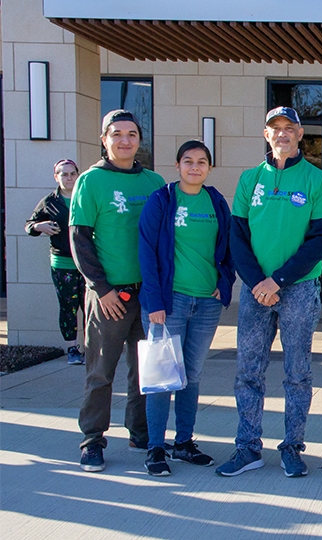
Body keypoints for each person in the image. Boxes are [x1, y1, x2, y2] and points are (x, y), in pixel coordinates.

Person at [217, 107, 322, 478]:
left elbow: (320, 239)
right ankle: (248, 447)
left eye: (289, 128)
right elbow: (237, 237)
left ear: (301, 134)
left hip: (297, 289)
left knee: (297, 372)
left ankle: (291, 447)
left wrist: (279, 281)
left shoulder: (318, 180)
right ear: (266, 135)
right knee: (247, 372)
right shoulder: (251, 179)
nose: (281, 134)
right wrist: (257, 283)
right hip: (256, 292)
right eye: (275, 128)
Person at [69, 110, 166, 472]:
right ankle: (92, 439)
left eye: (132, 134)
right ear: (104, 139)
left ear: (140, 139)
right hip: (109, 295)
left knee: (144, 371)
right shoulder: (91, 182)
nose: (125, 140)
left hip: (148, 295)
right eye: (117, 134)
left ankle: (140, 432)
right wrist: (102, 287)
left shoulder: (154, 182)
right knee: (100, 371)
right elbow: (79, 240)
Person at [138, 141, 235, 476]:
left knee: (191, 376)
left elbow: (228, 247)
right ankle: (155, 448)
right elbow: (147, 252)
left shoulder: (216, 201)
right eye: (189, 161)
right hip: (170, 301)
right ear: (177, 164)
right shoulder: (162, 200)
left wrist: (223, 285)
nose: (195, 167)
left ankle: (183, 443)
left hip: (206, 302)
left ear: (209, 167)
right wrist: (154, 302)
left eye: (202, 162)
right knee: (164, 378)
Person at [26, 159, 86, 365]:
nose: (69, 178)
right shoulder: (49, 202)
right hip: (63, 263)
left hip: (87, 263)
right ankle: (72, 349)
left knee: (90, 307)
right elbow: (30, 225)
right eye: (64, 174)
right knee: (68, 307)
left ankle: (93, 347)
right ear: (56, 177)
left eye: (72, 174)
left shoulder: (85, 196)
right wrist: (38, 226)